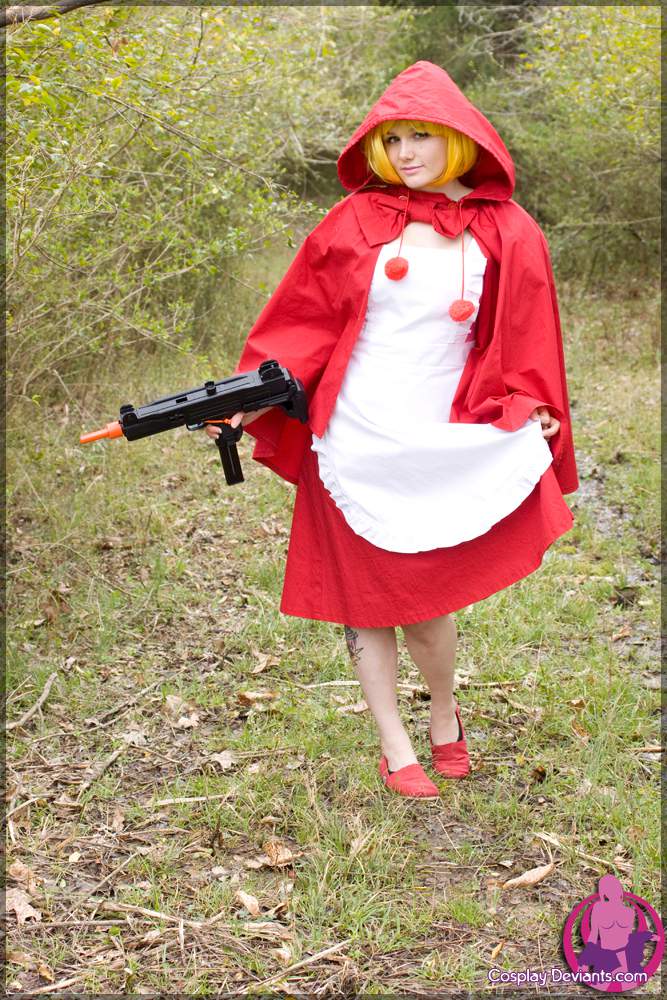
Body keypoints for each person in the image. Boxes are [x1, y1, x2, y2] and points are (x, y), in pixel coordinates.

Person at [205, 61, 578, 799]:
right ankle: (393, 743)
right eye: (392, 139)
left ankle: (443, 711)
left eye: (421, 137)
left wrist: (531, 404)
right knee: (365, 603)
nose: (404, 153)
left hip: (439, 437)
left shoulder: (507, 229)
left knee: (427, 606)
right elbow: (302, 323)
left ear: (458, 138)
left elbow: (528, 332)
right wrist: (246, 399)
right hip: (351, 434)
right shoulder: (354, 220)